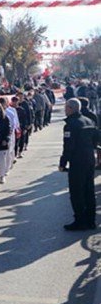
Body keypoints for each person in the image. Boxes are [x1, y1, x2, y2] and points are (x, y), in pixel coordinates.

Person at [60, 98, 98, 230]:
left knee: (77, 192)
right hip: (89, 159)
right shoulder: (89, 121)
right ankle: (91, 220)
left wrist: (62, 163)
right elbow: (96, 141)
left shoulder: (70, 124)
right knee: (89, 191)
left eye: (66, 108)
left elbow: (68, 147)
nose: (65, 110)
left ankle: (80, 221)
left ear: (71, 108)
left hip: (77, 162)